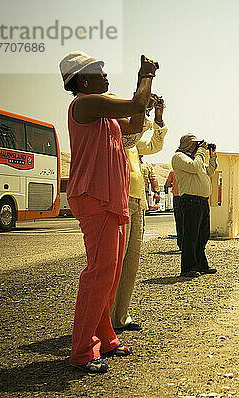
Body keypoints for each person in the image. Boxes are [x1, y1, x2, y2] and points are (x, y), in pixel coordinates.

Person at [59, 51, 158, 373]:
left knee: (110, 273)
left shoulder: (103, 114)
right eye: (99, 72)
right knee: (99, 273)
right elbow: (134, 105)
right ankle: (82, 350)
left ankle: (105, 336)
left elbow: (134, 125)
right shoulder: (85, 104)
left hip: (112, 197)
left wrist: (147, 105)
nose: (105, 76)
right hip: (94, 196)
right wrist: (145, 76)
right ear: (83, 79)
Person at [110, 94, 167, 333]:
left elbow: (154, 145)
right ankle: (105, 318)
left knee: (131, 262)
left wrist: (159, 117)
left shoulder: (133, 144)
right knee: (114, 262)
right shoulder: (113, 136)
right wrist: (143, 108)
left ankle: (120, 317)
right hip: (119, 201)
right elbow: (136, 131)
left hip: (137, 202)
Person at [171, 134, 218, 277]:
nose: (197, 147)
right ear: (187, 144)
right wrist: (201, 152)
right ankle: (188, 267)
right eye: (195, 144)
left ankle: (201, 265)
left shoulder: (196, 159)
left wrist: (212, 156)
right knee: (190, 236)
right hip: (190, 201)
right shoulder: (179, 157)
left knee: (202, 236)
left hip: (202, 202)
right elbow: (194, 167)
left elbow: (210, 171)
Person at [165, 170, 182, 252]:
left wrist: (174, 184)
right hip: (188, 196)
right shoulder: (188, 169)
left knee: (179, 221)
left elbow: (167, 184)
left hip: (177, 197)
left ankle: (180, 243)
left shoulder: (173, 172)